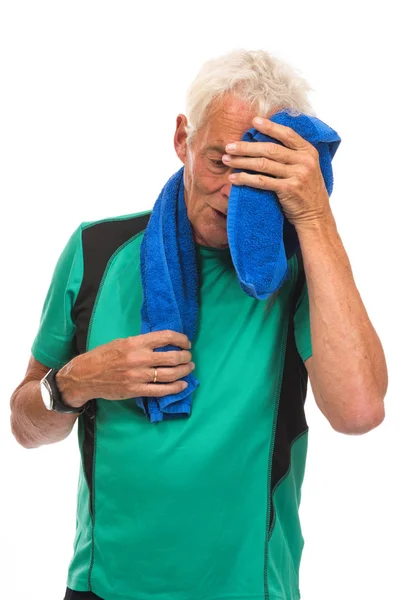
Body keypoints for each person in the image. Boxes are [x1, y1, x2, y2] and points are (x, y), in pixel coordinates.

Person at [10, 49, 388, 600]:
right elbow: (25, 427)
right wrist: (76, 382)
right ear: (182, 138)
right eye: (219, 162)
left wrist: (312, 215)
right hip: (102, 588)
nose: (234, 192)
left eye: (259, 175)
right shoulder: (96, 250)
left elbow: (359, 412)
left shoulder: (302, 271)